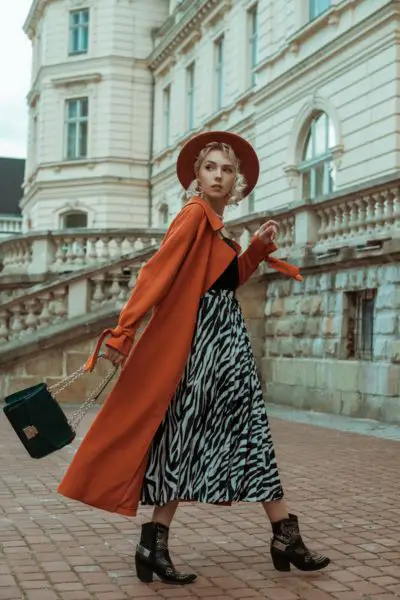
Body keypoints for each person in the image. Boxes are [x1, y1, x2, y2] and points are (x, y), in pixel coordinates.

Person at [58, 131, 330, 585]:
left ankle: (276, 533)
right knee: (188, 433)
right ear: (197, 178)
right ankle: (162, 539)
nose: (219, 175)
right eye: (211, 168)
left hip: (226, 340)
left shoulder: (216, 224)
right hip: (201, 344)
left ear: (236, 181)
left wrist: (257, 250)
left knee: (243, 433)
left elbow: (222, 284)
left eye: (227, 169)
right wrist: (123, 332)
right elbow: (156, 273)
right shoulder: (193, 215)